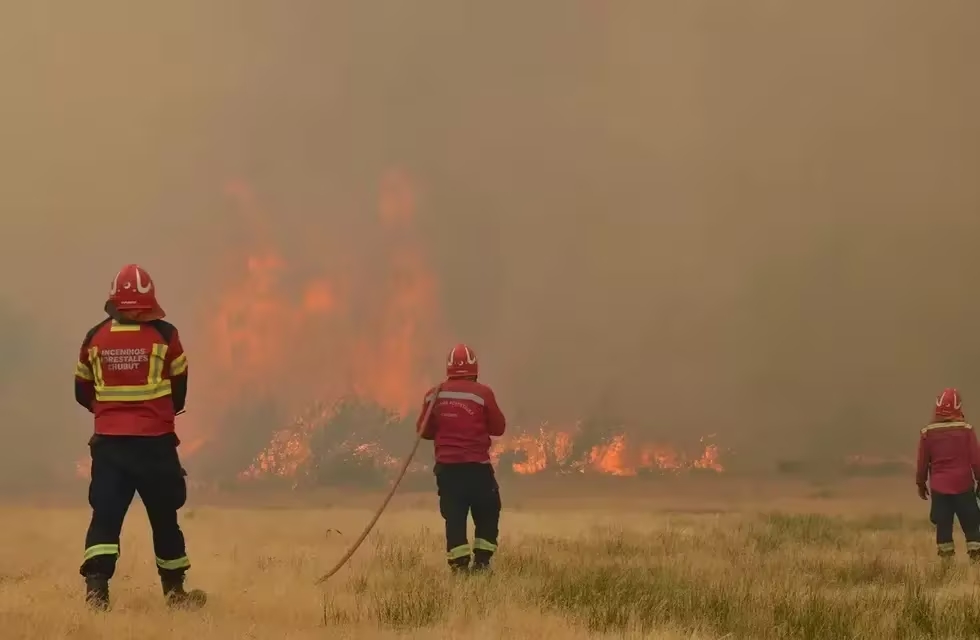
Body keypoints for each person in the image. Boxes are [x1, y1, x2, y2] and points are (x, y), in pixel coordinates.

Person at [74, 264, 206, 610]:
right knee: (165, 518)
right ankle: (175, 593)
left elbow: (81, 390)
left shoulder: (95, 337)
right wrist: (157, 414)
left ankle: (96, 593)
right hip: (155, 446)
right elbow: (179, 389)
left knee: (105, 517)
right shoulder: (166, 335)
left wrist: (109, 412)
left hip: (109, 446)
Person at [416, 343, 506, 572]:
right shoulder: (483, 394)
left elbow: (424, 431)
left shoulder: (434, 395)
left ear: (449, 368)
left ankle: (459, 566)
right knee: (488, 511)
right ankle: (482, 563)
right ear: (474, 369)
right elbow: (498, 428)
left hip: (447, 470)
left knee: (454, 517)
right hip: (477, 469)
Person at [916, 387, 980, 562]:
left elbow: (922, 462)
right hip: (964, 485)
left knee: (943, 526)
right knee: (972, 524)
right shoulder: (966, 430)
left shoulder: (928, 432)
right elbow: (976, 460)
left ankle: (946, 565)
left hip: (939, 488)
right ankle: (975, 561)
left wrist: (921, 483)